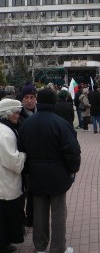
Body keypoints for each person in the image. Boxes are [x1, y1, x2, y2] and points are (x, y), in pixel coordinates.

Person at [19, 88, 81, 253]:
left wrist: (26, 171)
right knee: (59, 214)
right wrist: (73, 169)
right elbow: (72, 150)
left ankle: (40, 247)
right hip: (58, 175)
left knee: (39, 213)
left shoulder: (27, 124)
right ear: (54, 102)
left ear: (38, 101)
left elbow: (21, 150)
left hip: (35, 175)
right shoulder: (61, 123)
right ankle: (58, 248)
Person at [0, 99, 26, 253]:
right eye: (16, 113)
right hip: (5, 183)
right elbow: (13, 162)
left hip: (5, 182)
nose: (18, 116)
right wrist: (23, 155)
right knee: (4, 218)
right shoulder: (5, 134)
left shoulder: (6, 129)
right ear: (7, 115)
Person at [17, 82, 37, 228]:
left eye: (32, 97)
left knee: (33, 194)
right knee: (21, 194)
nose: (29, 100)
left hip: (36, 163)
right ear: (22, 99)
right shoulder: (17, 116)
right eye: (26, 97)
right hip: (21, 162)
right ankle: (20, 219)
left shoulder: (40, 113)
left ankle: (31, 219)